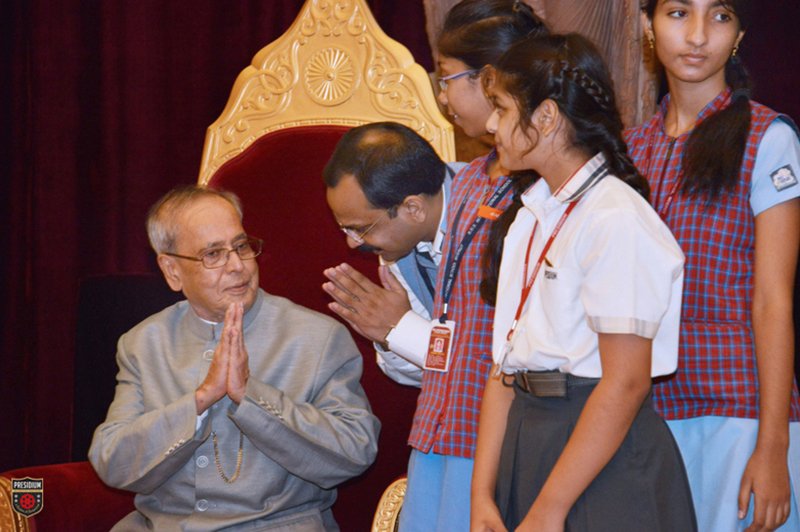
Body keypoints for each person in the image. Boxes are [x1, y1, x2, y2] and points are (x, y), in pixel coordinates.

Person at [471, 33, 696, 531]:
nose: (490, 124)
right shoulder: (530, 216)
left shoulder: (614, 216)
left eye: (503, 109)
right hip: (526, 438)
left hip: (600, 452)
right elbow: (504, 367)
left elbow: (626, 381)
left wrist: (550, 510)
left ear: (547, 117)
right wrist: (482, 493)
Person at [88, 185, 380, 531]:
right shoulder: (143, 343)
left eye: (241, 247)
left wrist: (250, 396)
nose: (238, 267)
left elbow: (354, 452)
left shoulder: (317, 337)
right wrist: (200, 401)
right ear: (172, 270)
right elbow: (113, 462)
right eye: (213, 254)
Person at [625, 1, 800, 530]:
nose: (698, 35)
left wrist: (772, 447)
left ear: (741, 33)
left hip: (737, 408)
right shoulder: (629, 150)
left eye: (719, 16)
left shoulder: (768, 138)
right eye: (678, 13)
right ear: (646, 26)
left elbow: (773, 301)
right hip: (643, 411)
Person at [385, 2, 547, 531]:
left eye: (448, 78)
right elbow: (452, 318)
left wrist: (397, 329)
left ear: (493, 80)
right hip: (442, 422)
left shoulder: (542, 186)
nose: (442, 95)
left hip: (498, 435)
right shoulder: (469, 179)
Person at [322, 122, 465, 387]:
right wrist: (388, 333)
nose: (352, 244)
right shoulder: (401, 241)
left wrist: (401, 328)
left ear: (413, 208)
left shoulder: (495, 227)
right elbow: (428, 376)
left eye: (361, 229)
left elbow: (489, 366)